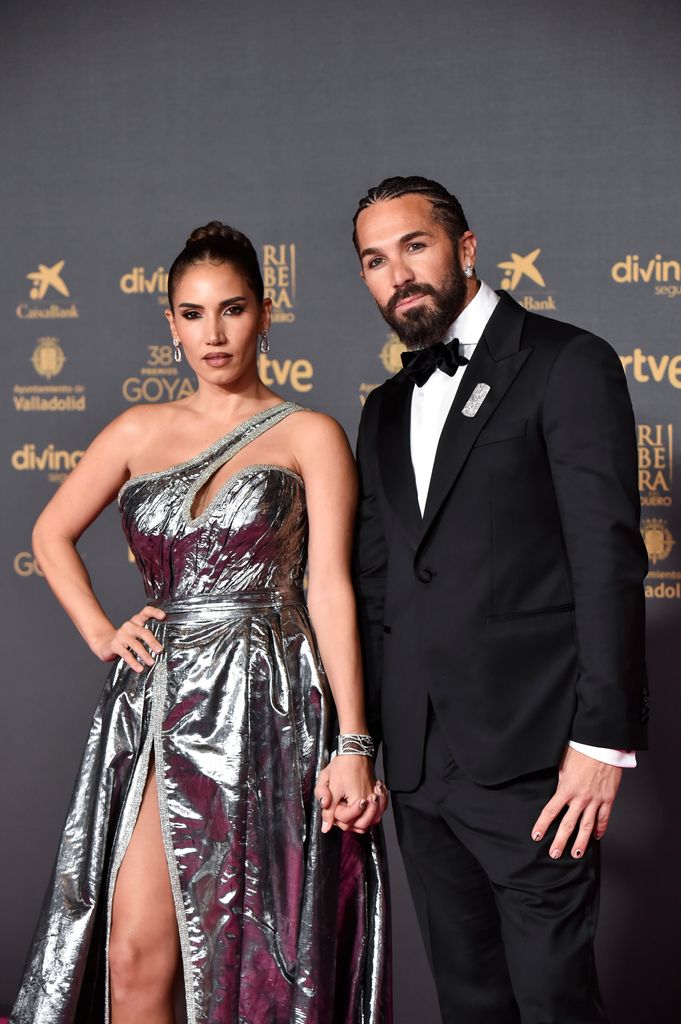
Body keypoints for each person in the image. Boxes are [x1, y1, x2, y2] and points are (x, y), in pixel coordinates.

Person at [11, 222, 391, 1024]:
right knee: (133, 949)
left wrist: (353, 742)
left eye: (231, 310)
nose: (212, 334)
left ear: (264, 313)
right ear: (170, 323)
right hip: (156, 701)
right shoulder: (137, 430)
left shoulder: (309, 434)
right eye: (191, 314)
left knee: (260, 953)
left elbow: (328, 589)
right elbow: (48, 534)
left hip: (273, 705)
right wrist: (100, 630)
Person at [348, 176, 648, 1022]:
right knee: (468, 999)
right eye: (375, 260)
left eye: (414, 246)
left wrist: (603, 739)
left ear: (466, 247)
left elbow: (607, 560)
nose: (397, 275)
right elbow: (380, 584)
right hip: (417, 764)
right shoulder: (383, 410)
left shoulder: (565, 362)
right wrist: (366, 740)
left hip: (535, 761)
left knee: (553, 999)